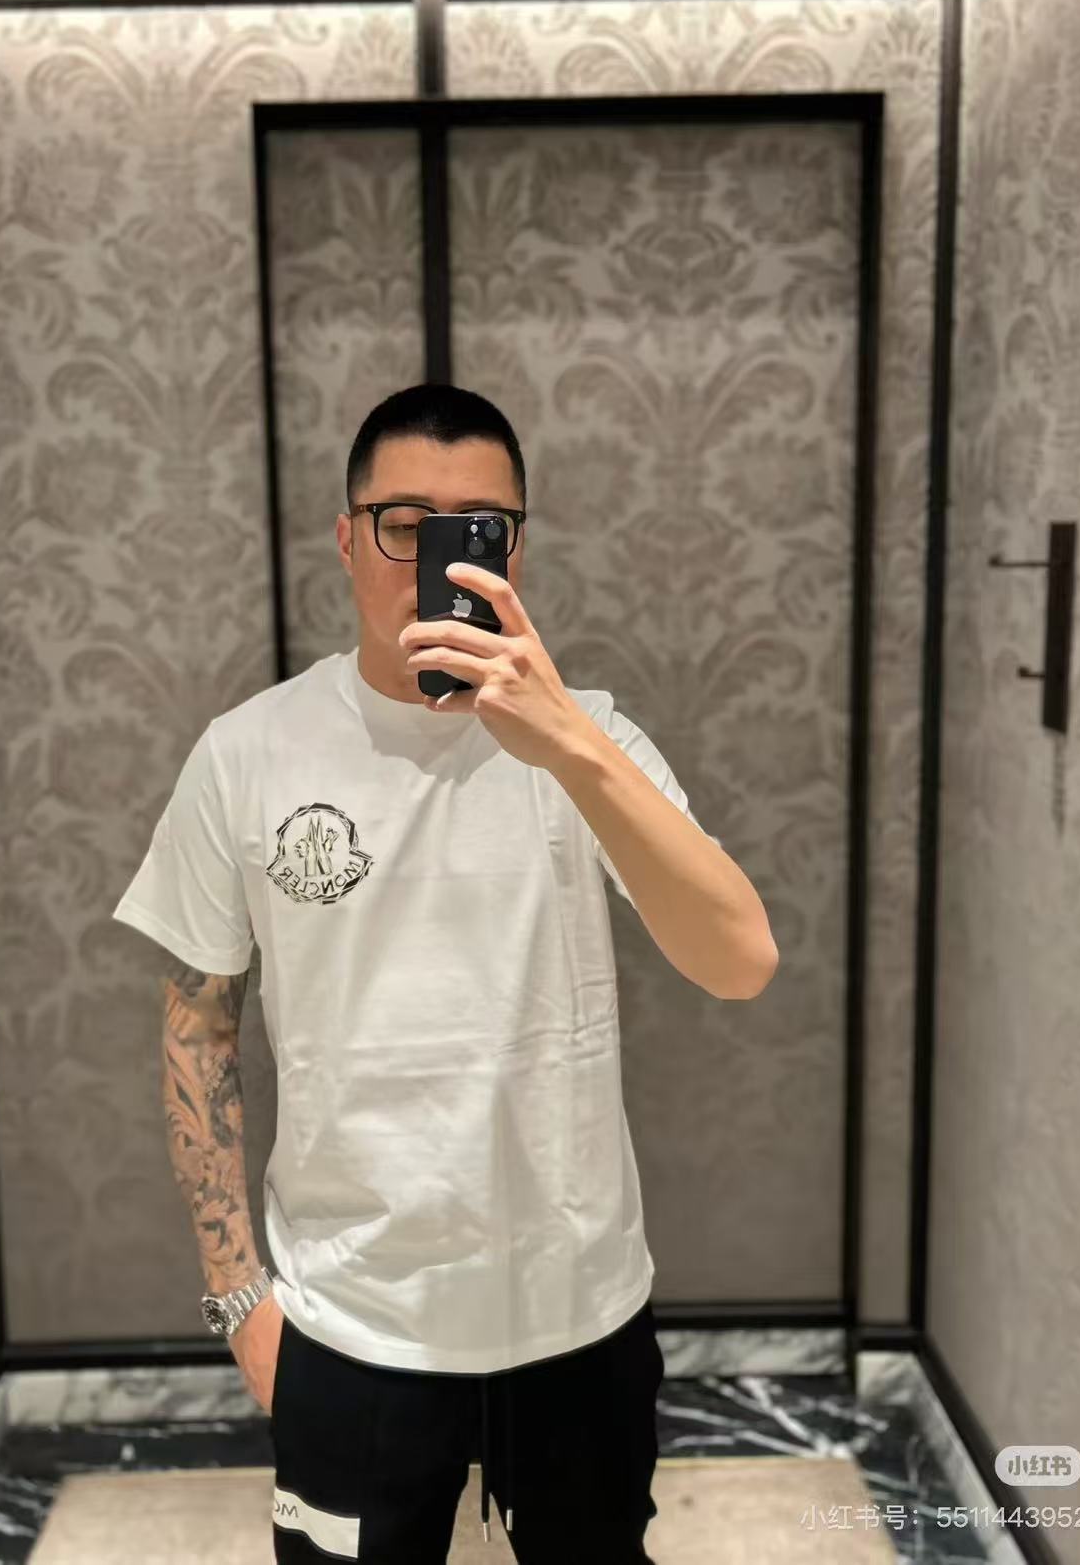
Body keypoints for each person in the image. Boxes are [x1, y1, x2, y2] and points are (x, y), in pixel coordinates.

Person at [112, 383, 778, 1563]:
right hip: (347, 1321)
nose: (436, 556)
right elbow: (197, 1028)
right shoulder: (248, 753)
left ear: (515, 547)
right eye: (403, 524)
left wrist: (565, 743)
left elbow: (738, 962)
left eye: (477, 528)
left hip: (577, 1312)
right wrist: (240, 1301)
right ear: (345, 537)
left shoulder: (593, 739)